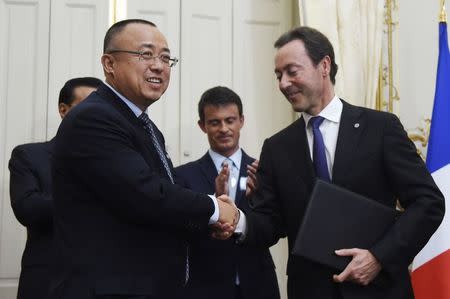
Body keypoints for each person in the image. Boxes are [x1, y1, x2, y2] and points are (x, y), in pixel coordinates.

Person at [224, 26, 445, 299]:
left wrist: (378, 257)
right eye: (278, 75)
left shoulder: (380, 128)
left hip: (378, 291)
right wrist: (236, 220)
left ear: (324, 65)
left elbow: (428, 202)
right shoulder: (277, 147)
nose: (283, 83)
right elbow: (270, 224)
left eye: (292, 71)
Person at [48, 19, 237, 299]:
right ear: (109, 63)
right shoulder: (94, 118)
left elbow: (163, 203)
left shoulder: (143, 126)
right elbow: (146, 195)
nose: (159, 66)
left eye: (165, 57)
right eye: (145, 54)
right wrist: (214, 208)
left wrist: (210, 222)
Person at [175, 86, 280, 299]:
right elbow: (179, 231)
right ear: (202, 126)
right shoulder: (183, 176)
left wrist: (254, 201)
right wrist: (214, 204)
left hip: (258, 285)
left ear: (241, 120)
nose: (223, 128)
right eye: (214, 122)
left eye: (230, 120)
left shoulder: (263, 171)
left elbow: (274, 227)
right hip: (205, 286)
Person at [9, 77, 102, 299]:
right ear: (63, 110)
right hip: (47, 282)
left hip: (104, 283)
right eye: (88, 107)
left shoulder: (120, 160)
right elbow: (27, 208)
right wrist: (90, 201)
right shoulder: (29, 155)